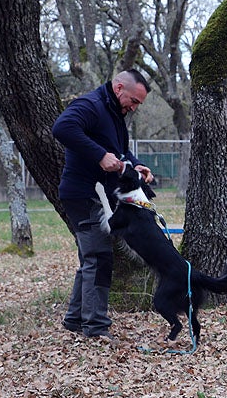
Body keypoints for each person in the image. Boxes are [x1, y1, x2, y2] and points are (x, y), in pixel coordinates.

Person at [52, 69, 154, 339]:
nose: (134, 107)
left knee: (92, 257)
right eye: (133, 101)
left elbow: (117, 149)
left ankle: (75, 320)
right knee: (99, 257)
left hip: (98, 194)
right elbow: (62, 128)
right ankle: (95, 328)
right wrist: (99, 156)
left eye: (138, 104)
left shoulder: (115, 113)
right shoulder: (91, 105)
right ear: (119, 88)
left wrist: (135, 164)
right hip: (82, 194)